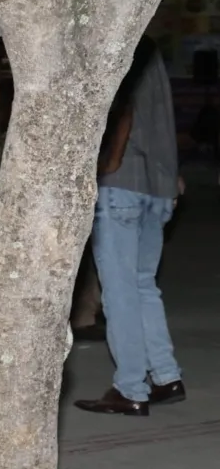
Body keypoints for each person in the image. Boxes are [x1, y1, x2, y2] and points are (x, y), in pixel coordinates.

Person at [75, 36, 186, 416]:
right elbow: (162, 121)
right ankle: (166, 376)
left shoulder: (119, 43)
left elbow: (123, 112)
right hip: (158, 185)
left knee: (120, 291)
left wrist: (107, 167)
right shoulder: (154, 52)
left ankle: (130, 387)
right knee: (142, 286)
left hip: (122, 185)